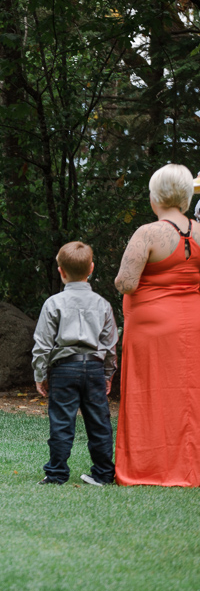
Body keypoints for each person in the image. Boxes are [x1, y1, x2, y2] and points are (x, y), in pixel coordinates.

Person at [114, 163, 200, 487]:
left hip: (152, 328)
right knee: (191, 395)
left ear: (155, 197)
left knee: (149, 395)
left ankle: (150, 466)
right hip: (194, 324)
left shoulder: (148, 233)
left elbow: (126, 282)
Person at [32, 242, 118, 486]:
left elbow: (43, 343)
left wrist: (40, 374)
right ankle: (103, 474)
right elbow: (109, 345)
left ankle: (57, 474)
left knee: (62, 422)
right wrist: (108, 373)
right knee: (100, 423)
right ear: (91, 268)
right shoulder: (102, 304)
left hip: (63, 369)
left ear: (61, 271)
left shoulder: (53, 303)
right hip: (93, 368)